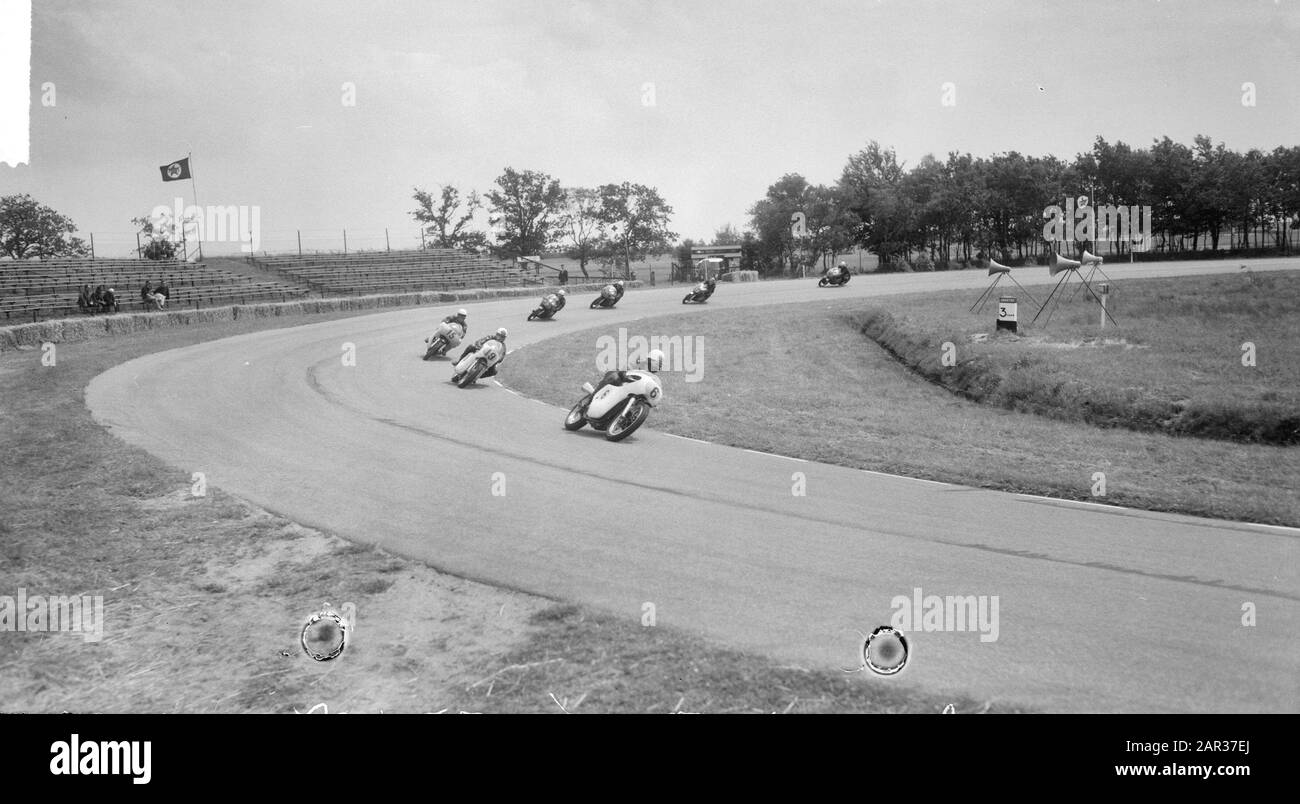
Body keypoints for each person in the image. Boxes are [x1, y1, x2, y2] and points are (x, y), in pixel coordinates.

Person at [591, 348, 665, 394]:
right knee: (613, 376)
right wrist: (624, 372)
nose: (660, 366)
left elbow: (656, 394)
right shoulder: (639, 363)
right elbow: (625, 368)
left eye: (661, 364)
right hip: (622, 383)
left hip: (635, 394)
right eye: (659, 362)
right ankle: (593, 396)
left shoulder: (656, 379)